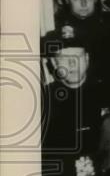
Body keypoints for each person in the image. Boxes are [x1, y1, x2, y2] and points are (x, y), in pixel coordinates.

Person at [40, 24, 105, 162]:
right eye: (64, 57)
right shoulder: (43, 100)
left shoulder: (108, 93)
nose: (72, 63)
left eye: (77, 56)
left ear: (87, 59)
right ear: (54, 63)